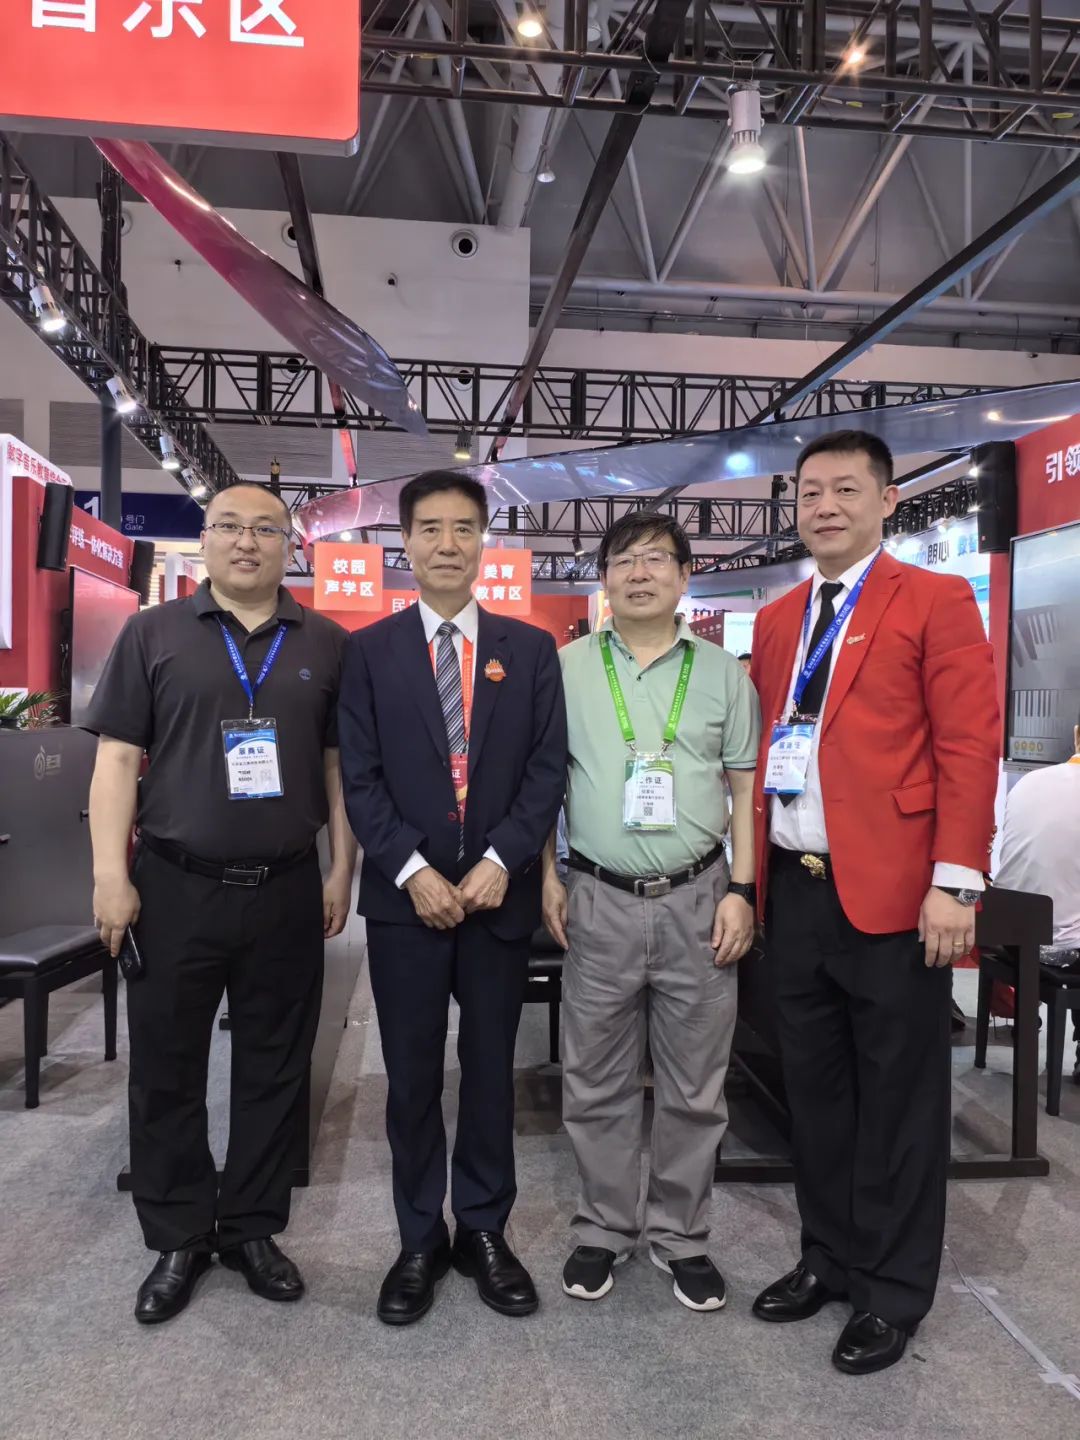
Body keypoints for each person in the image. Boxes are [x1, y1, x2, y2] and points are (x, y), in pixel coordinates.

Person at [748, 430, 998, 1376]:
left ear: (888, 500)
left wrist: (955, 881)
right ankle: (827, 1257)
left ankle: (892, 1292)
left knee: (899, 1104)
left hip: (898, 894)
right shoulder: (780, 618)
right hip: (796, 890)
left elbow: (968, 744)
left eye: (846, 489)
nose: (824, 506)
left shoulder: (932, 599)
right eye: (810, 491)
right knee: (814, 1097)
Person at [88, 482, 355, 1325]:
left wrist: (341, 869)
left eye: (266, 529)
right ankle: (177, 1234)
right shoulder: (153, 633)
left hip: (285, 886)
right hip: (174, 885)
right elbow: (116, 760)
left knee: (276, 1066)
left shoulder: (326, 642)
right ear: (204, 539)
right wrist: (109, 875)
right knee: (167, 1066)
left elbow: (338, 769)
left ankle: (251, 1229)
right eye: (230, 526)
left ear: (290, 546)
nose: (247, 541)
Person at [338, 470, 566, 1326]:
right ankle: (416, 1238)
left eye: (463, 528)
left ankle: (484, 1229)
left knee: (491, 1072)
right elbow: (359, 779)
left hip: (497, 899)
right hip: (408, 904)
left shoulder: (528, 648)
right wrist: (411, 870)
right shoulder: (369, 651)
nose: (446, 544)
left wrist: (505, 857)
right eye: (429, 528)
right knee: (408, 1077)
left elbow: (547, 769)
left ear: (483, 542)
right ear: (404, 542)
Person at [543, 514, 760, 1313]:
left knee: (695, 1086)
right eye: (624, 560)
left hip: (700, 899)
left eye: (656, 559)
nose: (640, 573)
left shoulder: (722, 673)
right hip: (597, 897)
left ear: (684, 574)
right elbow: (542, 784)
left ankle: (682, 1236)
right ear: (603, 577)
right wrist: (546, 876)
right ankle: (603, 1228)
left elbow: (745, 789)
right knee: (594, 1080)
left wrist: (743, 889)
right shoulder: (563, 668)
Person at [995, 710, 1080, 1081]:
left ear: (1077, 735)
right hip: (1063, 950)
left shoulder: (1029, 781)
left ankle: (1026, 1020)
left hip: (1009, 935)